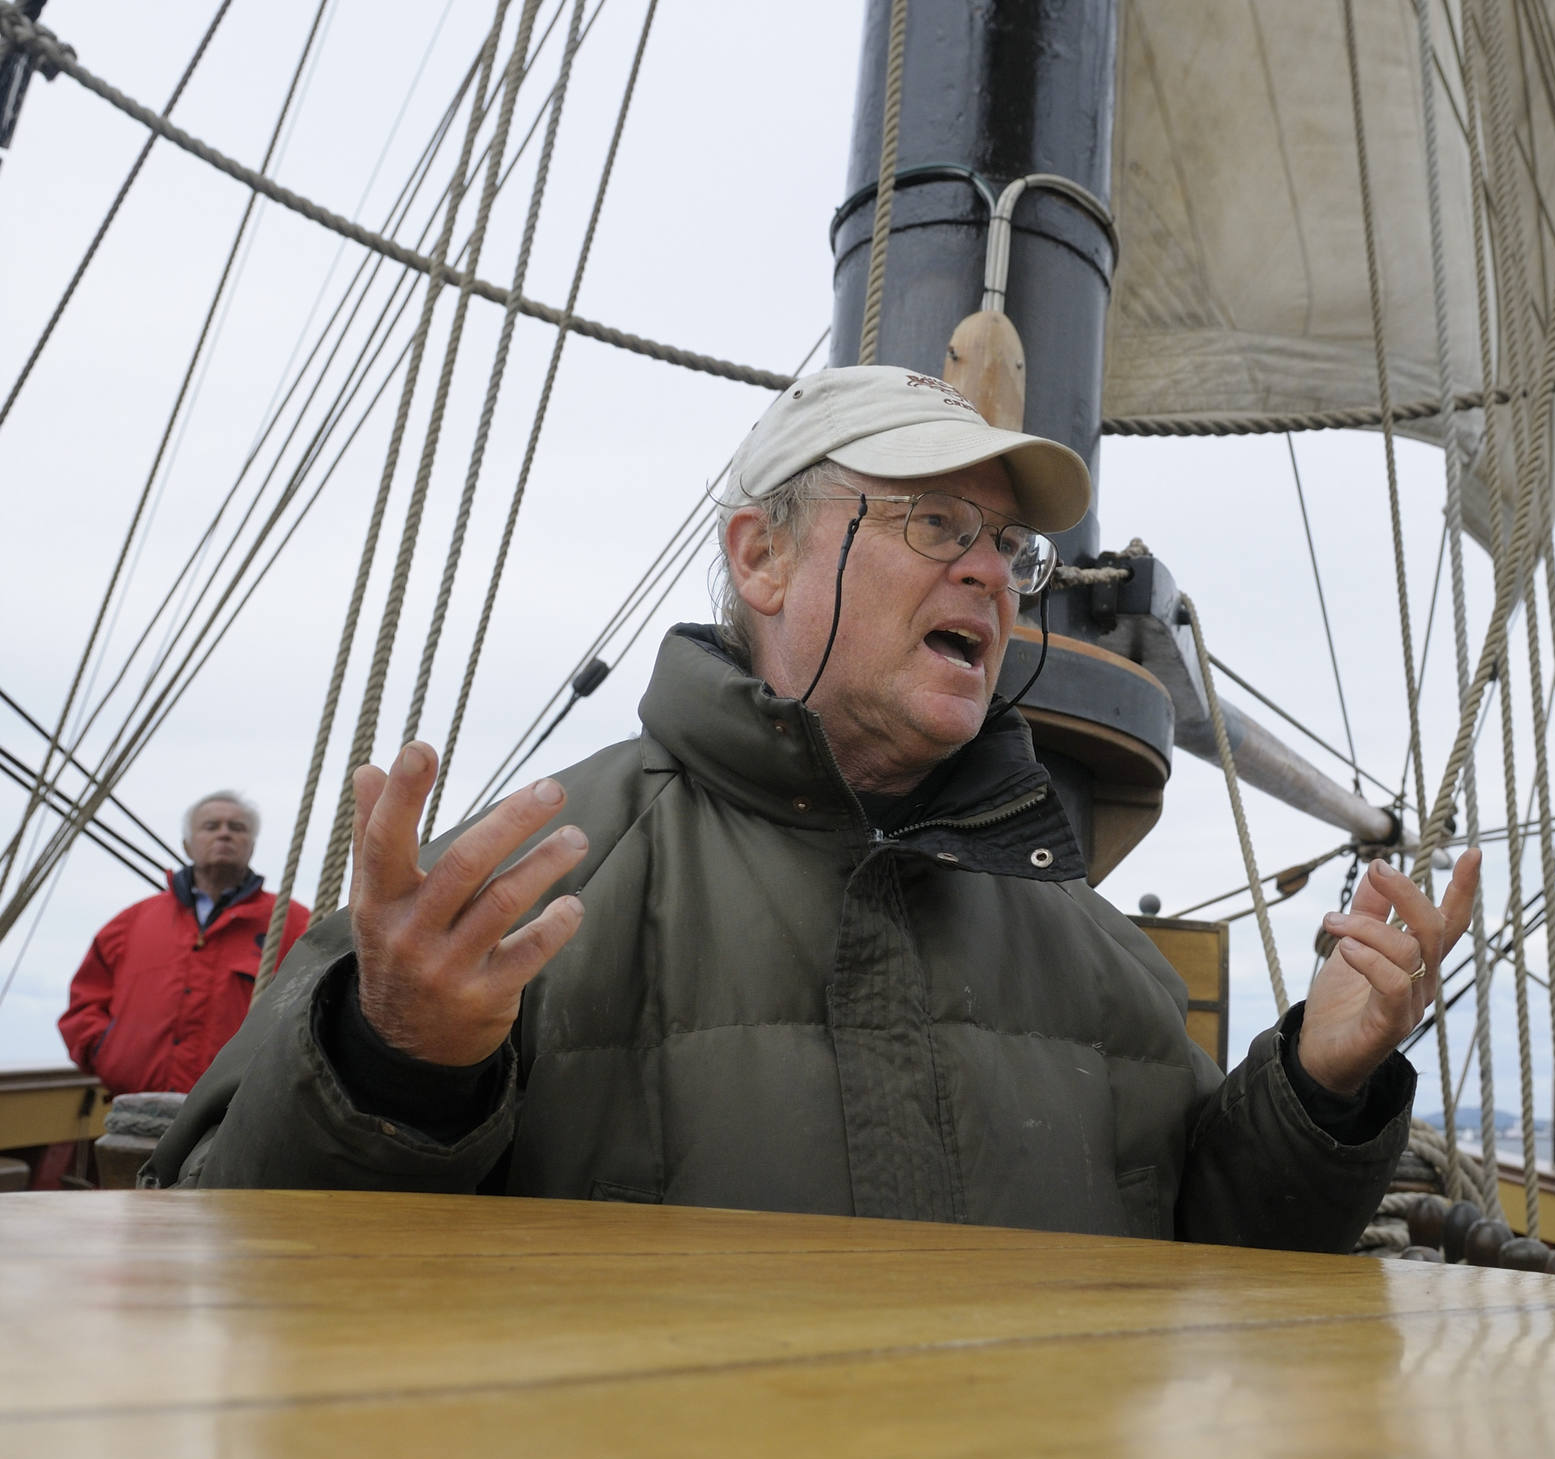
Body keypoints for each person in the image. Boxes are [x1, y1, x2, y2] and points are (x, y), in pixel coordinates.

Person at [151, 366, 1479, 1251]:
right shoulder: (517, 892)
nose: (992, 575)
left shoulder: (1095, 953)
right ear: (763, 554)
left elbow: (1212, 1254)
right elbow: (224, 1251)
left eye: (1005, 548)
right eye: (933, 523)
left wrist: (1321, 1085)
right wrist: (396, 1064)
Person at [60, 791, 308, 1097]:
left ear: (252, 846)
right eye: (211, 826)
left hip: (240, 1114)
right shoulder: (130, 924)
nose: (224, 833)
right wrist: (105, 1053)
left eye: (237, 828)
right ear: (187, 845)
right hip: (136, 1103)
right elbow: (85, 1002)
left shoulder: (295, 924)